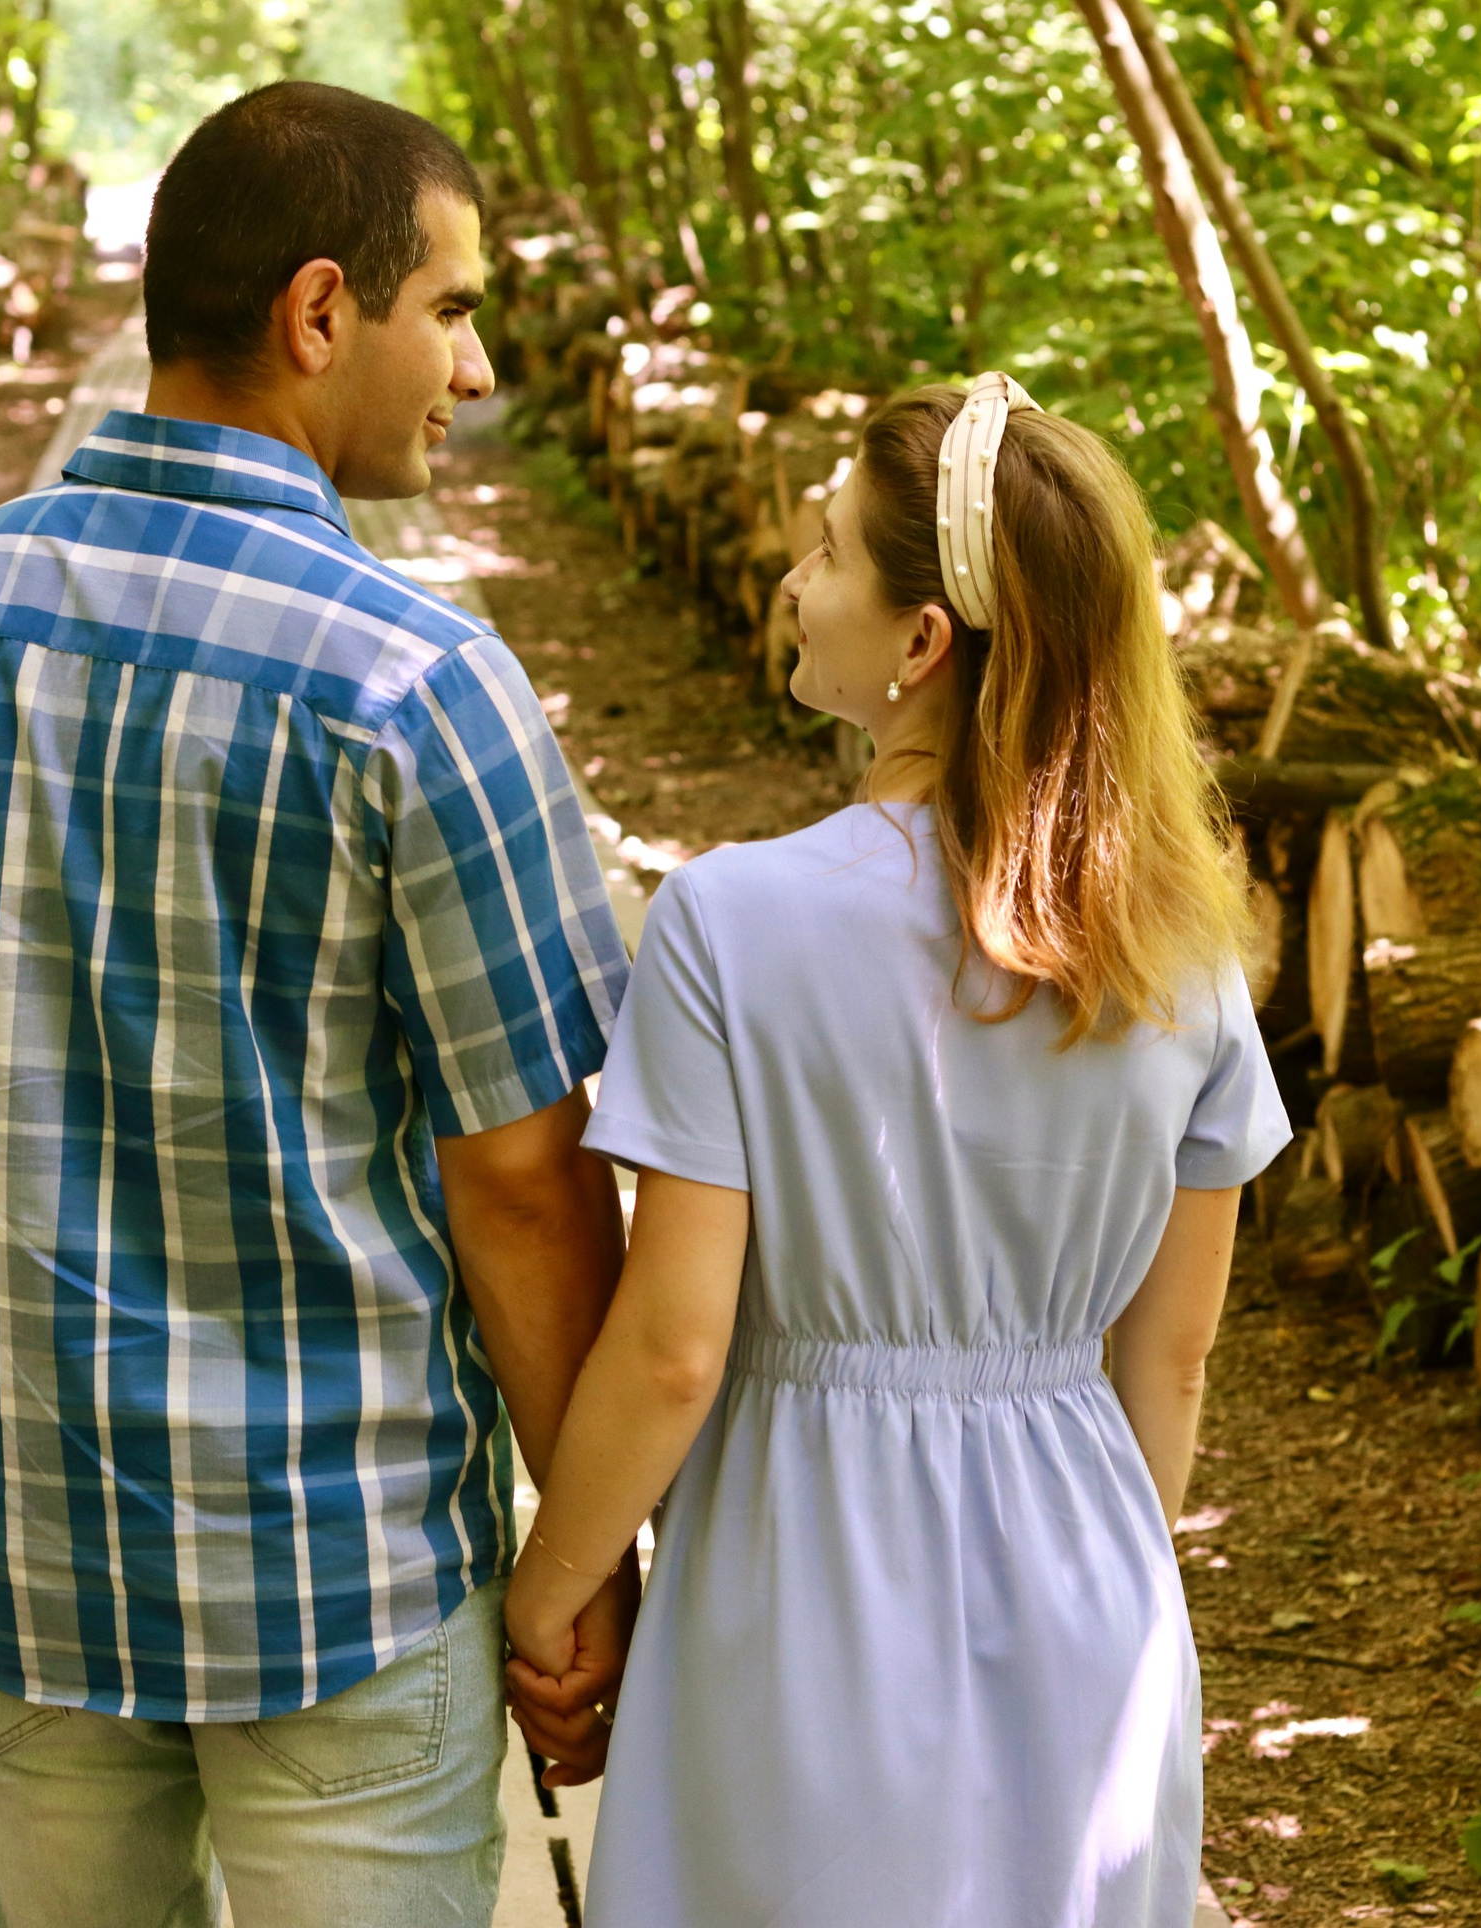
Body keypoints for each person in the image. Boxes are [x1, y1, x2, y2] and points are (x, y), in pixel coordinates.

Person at [0, 82, 638, 1928]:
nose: (473, 370)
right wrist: (581, 1545)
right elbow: (528, 1178)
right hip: (345, 1583)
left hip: (24, 1561)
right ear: (323, 313)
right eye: (453, 309)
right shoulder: (420, 689)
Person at [501, 373, 1294, 1926]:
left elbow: (675, 1347)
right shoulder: (1184, 954)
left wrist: (552, 1595)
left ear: (923, 642)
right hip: (1090, 1578)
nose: (797, 584)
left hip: (797, 1578)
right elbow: (1176, 1358)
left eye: (829, 553)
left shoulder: (733, 923)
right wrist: (1095, 1595)